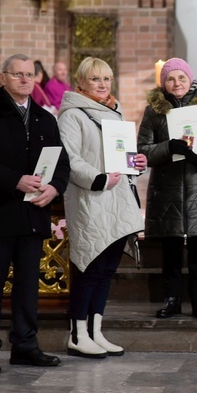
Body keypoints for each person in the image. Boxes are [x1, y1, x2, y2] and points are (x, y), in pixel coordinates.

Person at [0, 54, 70, 374]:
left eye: (29, 75)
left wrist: (55, 188)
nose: (25, 80)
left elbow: (61, 163)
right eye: (18, 74)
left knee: (27, 286)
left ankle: (25, 345)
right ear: (2, 77)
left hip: (33, 214)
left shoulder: (45, 118)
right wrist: (15, 181)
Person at [58, 57, 147, 359]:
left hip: (117, 198)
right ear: (80, 82)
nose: (102, 84)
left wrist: (136, 163)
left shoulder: (115, 112)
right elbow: (70, 158)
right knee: (89, 267)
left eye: (106, 79)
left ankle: (96, 331)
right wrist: (98, 178)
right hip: (91, 198)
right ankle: (77, 334)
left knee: (107, 270)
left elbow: (119, 155)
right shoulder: (72, 115)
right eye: (95, 79)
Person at [138, 58, 197, 319]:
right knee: (170, 248)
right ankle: (171, 299)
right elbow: (143, 150)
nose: (176, 83)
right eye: (170, 78)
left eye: (181, 77)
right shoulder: (154, 111)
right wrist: (167, 147)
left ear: (190, 79)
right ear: (164, 83)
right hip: (166, 189)